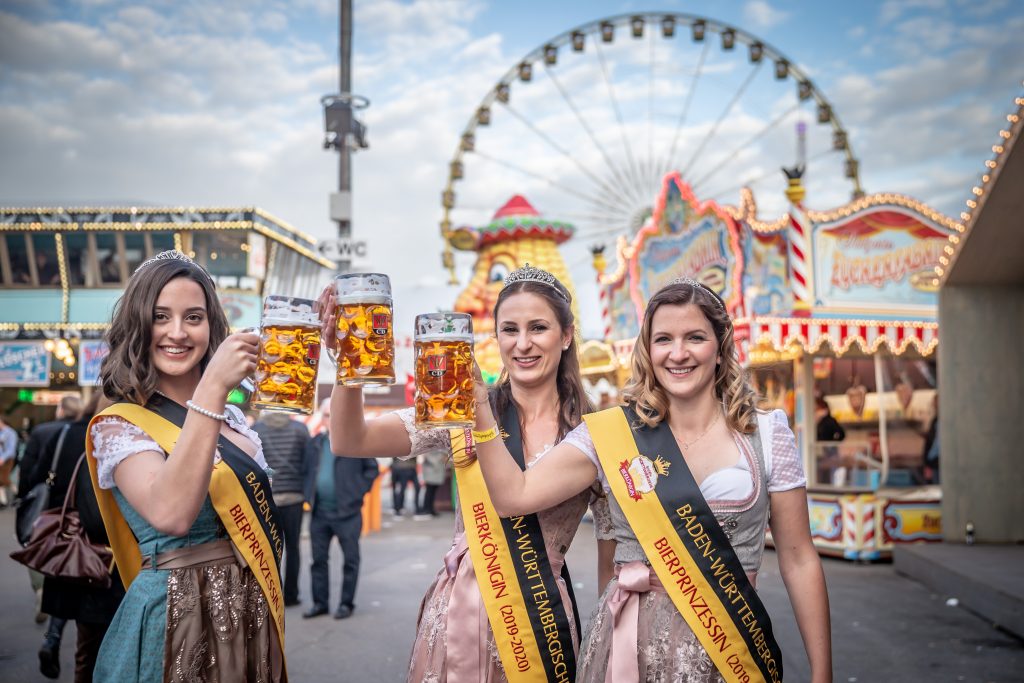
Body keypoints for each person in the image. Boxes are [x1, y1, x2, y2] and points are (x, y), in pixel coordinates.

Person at [475, 278, 833, 683]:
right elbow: (513, 497)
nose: (677, 354)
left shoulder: (768, 434)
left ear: (720, 347)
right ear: (648, 351)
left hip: (730, 649)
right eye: (663, 339)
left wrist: (823, 675)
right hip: (630, 646)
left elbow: (800, 558)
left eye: (695, 337)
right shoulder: (609, 435)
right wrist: (481, 407)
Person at [318, 263, 612, 681]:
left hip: (539, 621)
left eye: (538, 328)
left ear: (566, 335)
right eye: (509, 329)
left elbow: (610, 558)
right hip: (457, 610)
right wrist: (348, 361)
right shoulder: (458, 408)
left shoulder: (595, 432)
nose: (523, 344)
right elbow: (351, 440)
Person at [84, 250, 286, 682]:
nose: (177, 332)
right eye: (161, 316)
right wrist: (213, 386)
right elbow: (171, 514)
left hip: (249, 608)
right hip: (176, 617)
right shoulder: (120, 424)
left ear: (211, 325)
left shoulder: (235, 422)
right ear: (139, 324)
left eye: (193, 317)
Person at [27, 392, 127, 681]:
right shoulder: (105, 445)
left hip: (72, 536)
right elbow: (98, 516)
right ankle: (52, 639)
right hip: (104, 556)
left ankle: (51, 639)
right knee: (100, 644)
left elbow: (35, 475)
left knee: (87, 642)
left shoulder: (66, 435)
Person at [303, 399, 379, 620]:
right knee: (318, 560)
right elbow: (305, 470)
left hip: (348, 513)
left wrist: (357, 492)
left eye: (334, 414)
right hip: (319, 513)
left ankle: (346, 604)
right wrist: (308, 492)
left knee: (350, 560)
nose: (331, 419)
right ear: (323, 418)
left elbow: (371, 470)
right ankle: (320, 603)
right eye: (327, 415)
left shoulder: (353, 442)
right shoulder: (316, 442)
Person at [15, 394, 80, 626]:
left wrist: (23, 497)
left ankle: (42, 587)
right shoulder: (83, 430)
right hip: (74, 503)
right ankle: (61, 593)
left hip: (45, 501)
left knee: (36, 543)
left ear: (60, 410)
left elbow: (29, 469)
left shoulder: (42, 431)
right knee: (68, 548)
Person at [253, 409, 314, 607]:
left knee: (268, 550)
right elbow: (309, 464)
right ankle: (291, 595)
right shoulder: (300, 429)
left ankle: (271, 594)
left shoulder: (257, 430)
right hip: (294, 497)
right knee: (294, 548)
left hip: (266, 498)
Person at [415, 447, 446, 519]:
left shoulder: (439, 446)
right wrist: (437, 460)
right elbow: (426, 456)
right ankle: (426, 509)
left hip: (437, 471)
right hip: (430, 471)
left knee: (433, 492)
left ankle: (431, 509)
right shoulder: (428, 446)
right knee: (429, 492)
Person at [389, 452, 419, 517]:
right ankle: (398, 508)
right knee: (401, 489)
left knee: (401, 489)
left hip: (405, 467)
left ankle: (398, 508)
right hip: (402, 467)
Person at [0, 413, 19, 507]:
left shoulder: (11, 433)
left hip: (7, 459)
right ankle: (3, 500)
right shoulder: (1, 433)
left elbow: (11, 448)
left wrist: (3, 458)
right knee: (3, 479)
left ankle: (15, 492)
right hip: (1, 458)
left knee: (3, 478)